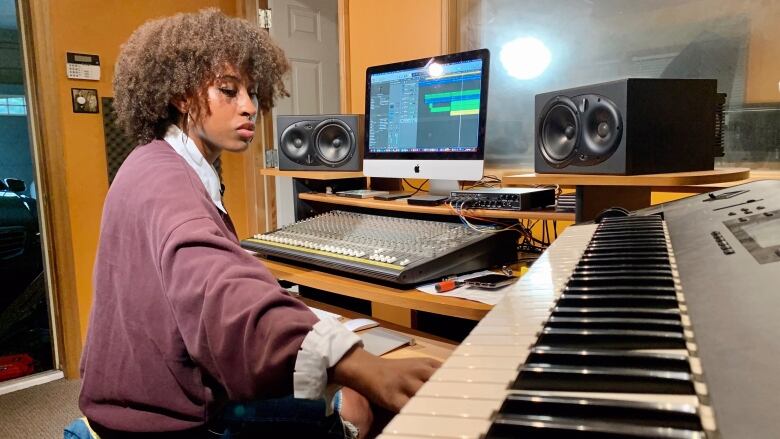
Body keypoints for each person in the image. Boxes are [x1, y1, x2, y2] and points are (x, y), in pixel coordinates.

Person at [79, 8, 440, 438]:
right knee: (369, 403)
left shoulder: (151, 161)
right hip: (172, 419)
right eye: (228, 91)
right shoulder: (165, 179)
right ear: (179, 95)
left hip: (135, 398)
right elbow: (218, 289)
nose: (250, 107)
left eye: (252, 92)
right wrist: (357, 365)